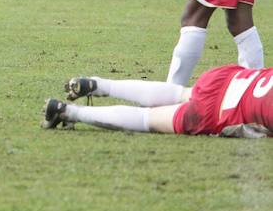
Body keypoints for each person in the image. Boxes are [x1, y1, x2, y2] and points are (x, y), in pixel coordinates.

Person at [43, 67, 273, 138]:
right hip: (221, 111)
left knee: (180, 93)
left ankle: (99, 84)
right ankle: (68, 112)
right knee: (147, 119)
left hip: (232, 79)